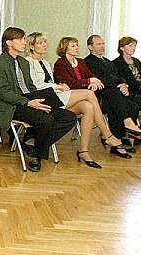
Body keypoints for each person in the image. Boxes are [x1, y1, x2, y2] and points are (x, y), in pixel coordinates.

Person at [25, 32, 130, 166]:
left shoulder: (45, 62)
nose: (44, 45)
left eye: (45, 42)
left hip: (55, 94)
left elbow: (52, 81)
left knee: (88, 106)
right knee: (89, 94)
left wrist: (58, 86)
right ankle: (108, 135)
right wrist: (58, 86)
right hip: (43, 97)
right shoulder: (28, 61)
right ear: (32, 46)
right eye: (40, 43)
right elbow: (35, 85)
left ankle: (83, 151)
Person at [0, 27, 77, 172]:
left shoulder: (23, 62)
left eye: (24, 39)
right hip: (11, 105)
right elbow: (3, 92)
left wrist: (42, 98)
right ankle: (36, 154)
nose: (24, 42)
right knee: (46, 120)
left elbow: (30, 87)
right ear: (9, 43)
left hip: (29, 100)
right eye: (21, 39)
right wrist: (28, 102)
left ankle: (32, 143)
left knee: (69, 117)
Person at [53, 37, 141, 147]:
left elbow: (92, 76)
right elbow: (68, 83)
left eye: (77, 45)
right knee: (113, 95)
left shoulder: (80, 62)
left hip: (95, 94)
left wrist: (95, 82)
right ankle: (118, 132)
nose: (77, 48)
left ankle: (120, 139)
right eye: (73, 46)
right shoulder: (60, 63)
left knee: (129, 105)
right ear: (65, 48)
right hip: (76, 96)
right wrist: (89, 81)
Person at [85, 35, 141, 148]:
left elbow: (118, 76)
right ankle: (121, 138)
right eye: (98, 44)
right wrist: (119, 86)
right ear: (90, 47)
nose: (102, 46)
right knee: (128, 105)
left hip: (118, 92)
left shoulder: (107, 61)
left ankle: (136, 136)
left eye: (103, 43)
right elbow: (99, 80)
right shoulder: (88, 62)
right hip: (103, 95)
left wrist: (123, 84)